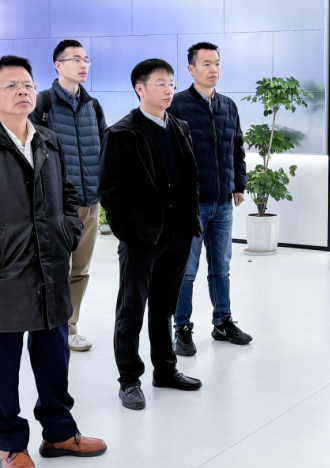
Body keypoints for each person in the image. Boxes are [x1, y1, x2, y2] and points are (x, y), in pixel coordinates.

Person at [0, 55, 106, 468]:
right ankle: (11, 445)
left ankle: (60, 434)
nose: (23, 91)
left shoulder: (48, 140)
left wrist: (68, 232)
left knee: (54, 359)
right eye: (12, 85)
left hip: (50, 268)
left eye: (28, 84)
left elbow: (68, 195)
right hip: (1, 273)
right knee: (1, 367)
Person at [99, 59, 203, 411]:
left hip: (179, 234)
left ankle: (166, 370)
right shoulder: (122, 133)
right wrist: (129, 234)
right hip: (142, 239)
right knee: (131, 311)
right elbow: (111, 191)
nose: (169, 89)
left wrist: (191, 225)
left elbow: (190, 179)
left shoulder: (180, 127)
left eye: (171, 83)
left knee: (164, 308)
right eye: (160, 83)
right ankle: (129, 380)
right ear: (140, 89)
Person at [168, 42, 251, 356]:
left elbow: (236, 148)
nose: (213, 69)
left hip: (223, 202)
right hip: (191, 204)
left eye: (216, 63)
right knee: (186, 270)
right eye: (206, 63)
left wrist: (238, 184)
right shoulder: (176, 105)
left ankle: (223, 322)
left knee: (221, 267)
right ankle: (182, 327)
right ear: (191, 69)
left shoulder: (228, 105)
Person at [29, 39, 107, 354]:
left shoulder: (93, 106)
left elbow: (105, 147)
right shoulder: (43, 103)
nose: (83, 64)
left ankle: (70, 327)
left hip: (89, 202)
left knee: (80, 270)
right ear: (58, 65)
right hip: (56, 204)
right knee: (55, 269)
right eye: (75, 59)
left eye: (85, 59)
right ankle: (49, 327)